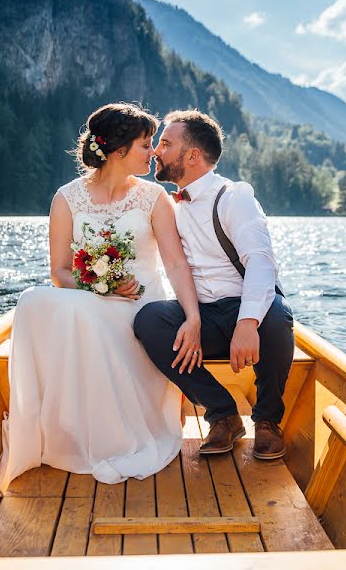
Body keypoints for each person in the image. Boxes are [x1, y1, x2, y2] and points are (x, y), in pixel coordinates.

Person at [0, 103, 203, 488]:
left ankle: (117, 434)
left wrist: (192, 317)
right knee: (32, 301)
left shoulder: (153, 198)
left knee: (81, 314)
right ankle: (60, 431)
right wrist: (100, 285)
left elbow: (176, 265)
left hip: (142, 305)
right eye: (146, 145)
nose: (154, 152)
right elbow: (59, 273)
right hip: (92, 297)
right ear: (119, 150)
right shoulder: (67, 198)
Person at [134, 110, 294, 460]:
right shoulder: (169, 206)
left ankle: (267, 421)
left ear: (192, 156)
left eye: (165, 143)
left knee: (277, 317)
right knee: (149, 321)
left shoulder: (234, 196)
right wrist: (190, 318)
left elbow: (262, 265)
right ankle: (223, 414)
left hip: (245, 307)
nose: (157, 151)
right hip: (202, 313)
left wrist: (247, 323)